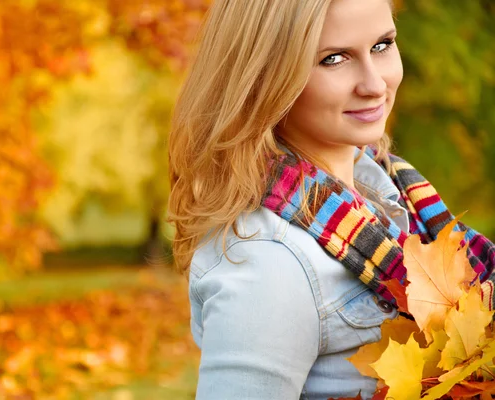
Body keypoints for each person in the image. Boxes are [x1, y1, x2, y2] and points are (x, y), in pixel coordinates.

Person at [167, 0, 495, 399]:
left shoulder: (394, 191)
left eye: (382, 45)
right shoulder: (271, 261)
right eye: (334, 59)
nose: (374, 84)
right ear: (266, 76)